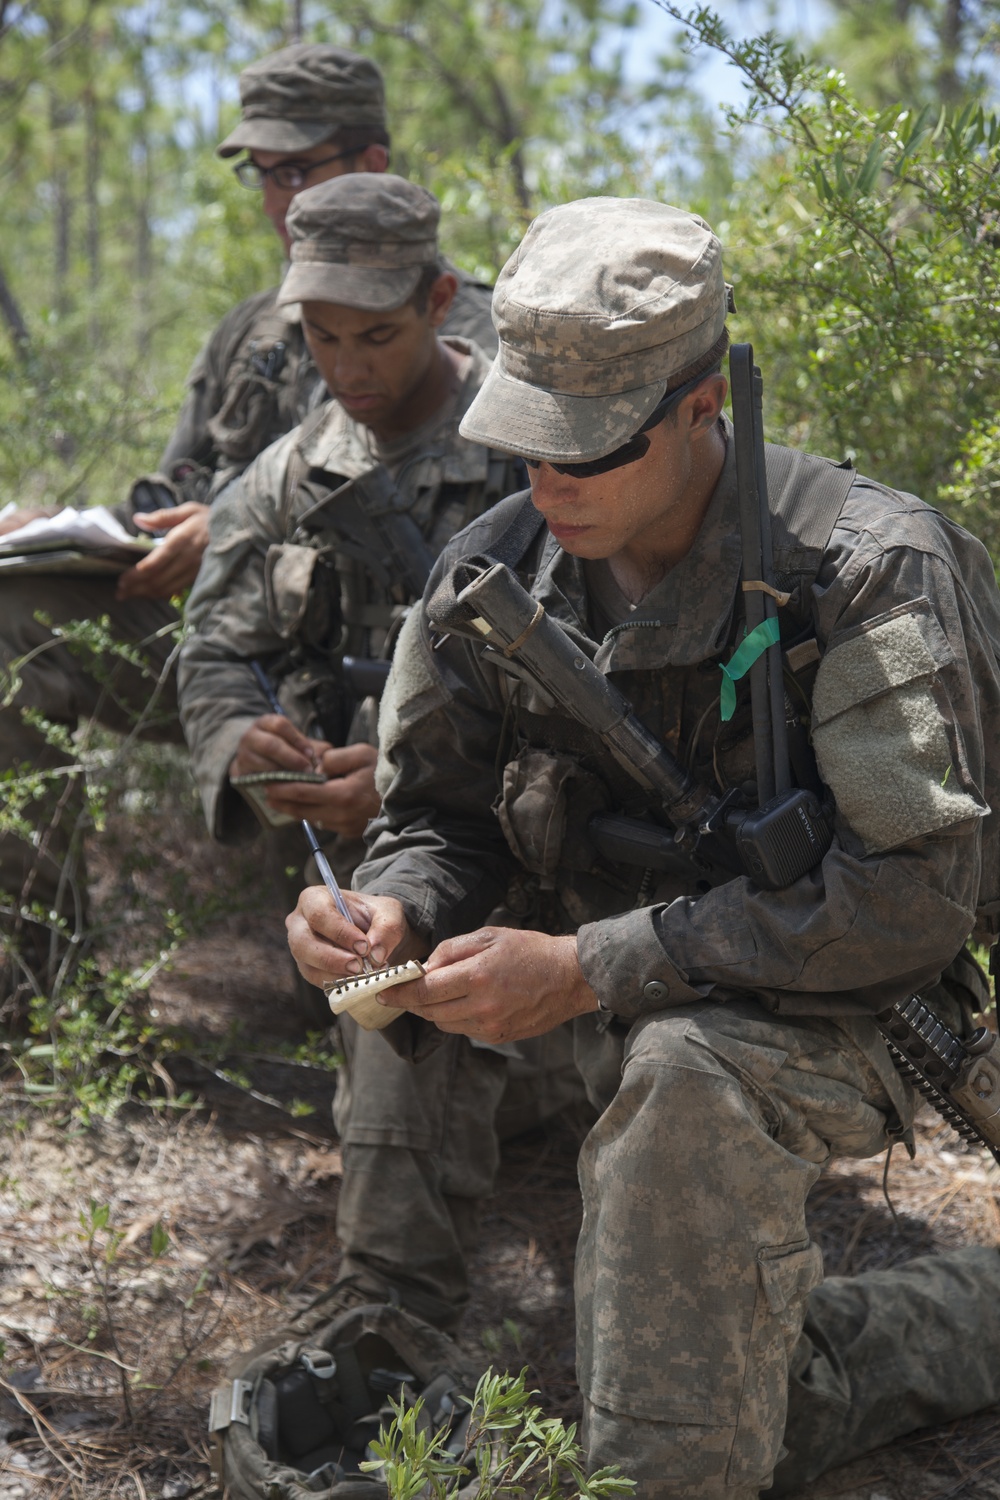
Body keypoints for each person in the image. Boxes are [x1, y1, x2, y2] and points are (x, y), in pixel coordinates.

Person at [286, 196, 1000, 1496]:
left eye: (587, 449)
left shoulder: (870, 575)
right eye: (522, 445)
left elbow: (915, 902)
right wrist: (382, 910)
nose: (546, 484)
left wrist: (594, 965)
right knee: (395, 987)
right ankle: (381, 1349)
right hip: (588, 987)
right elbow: (433, 822)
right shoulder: (487, 580)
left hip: (838, 998)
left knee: (681, 1083)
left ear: (701, 407)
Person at [0, 42, 495, 998]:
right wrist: (88, 529)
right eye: (262, 172)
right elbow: (173, 486)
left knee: (376, 1004)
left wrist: (224, 522)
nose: (277, 196)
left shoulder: (467, 334)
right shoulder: (252, 333)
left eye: (299, 167)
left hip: (387, 670)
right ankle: (39, 974)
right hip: (227, 635)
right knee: (10, 623)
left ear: (373, 164)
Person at [179, 171, 584, 1334]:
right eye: (319, 336)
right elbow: (212, 646)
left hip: (545, 891)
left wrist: (404, 785)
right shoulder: (287, 475)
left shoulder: (539, 461)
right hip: (369, 897)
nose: (347, 364)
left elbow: (615, 711)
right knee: (386, 977)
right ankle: (390, 1317)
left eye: (377, 333)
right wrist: (236, 741)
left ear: (442, 299)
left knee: (443, 991)